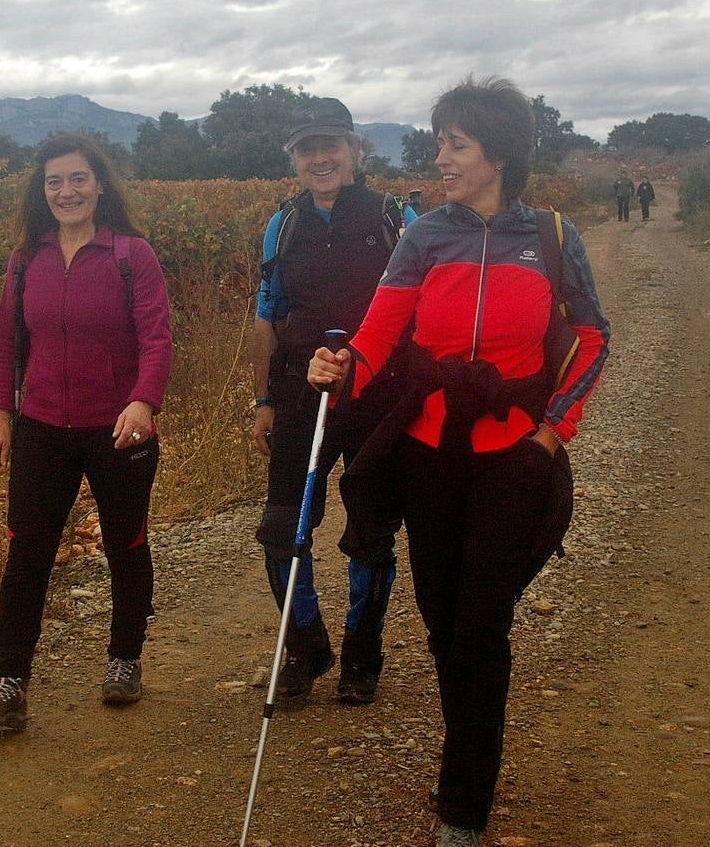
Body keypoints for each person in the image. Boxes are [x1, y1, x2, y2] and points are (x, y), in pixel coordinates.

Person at [309, 76, 611, 846]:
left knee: (481, 628)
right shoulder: (425, 235)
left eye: (455, 144)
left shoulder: (549, 235)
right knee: (443, 626)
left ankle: (463, 805)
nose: (439, 156)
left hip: (513, 456)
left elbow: (593, 337)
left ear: (498, 153)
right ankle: (464, 749)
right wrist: (341, 366)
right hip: (428, 454)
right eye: (440, 141)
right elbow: (378, 336)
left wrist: (550, 436)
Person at [0, 133, 173, 731]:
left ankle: (124, 661)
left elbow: (157, 339)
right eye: (54, 181)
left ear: (99, 185)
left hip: (119, 430)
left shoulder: (132, 255)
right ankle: (9, 685)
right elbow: (7, 341)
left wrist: (142, 402)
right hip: (42, 428)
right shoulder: (26, 259)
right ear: (42, 191)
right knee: (27, 551)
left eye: (77, 178)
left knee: (124, 543)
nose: (66, 191)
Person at [251, 97, 404, 706]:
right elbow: (266, 315)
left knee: (370, 531)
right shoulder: (282, 224)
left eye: (331, 146)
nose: (320, 158)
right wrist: (263, 396)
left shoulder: (396, 217)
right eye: (307, 149)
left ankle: (363, 655)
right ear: (295, 159)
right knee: (281, 530)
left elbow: (418, 310)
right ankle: (307, 646)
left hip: (377, 398)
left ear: (355, 151)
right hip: (297, 394)